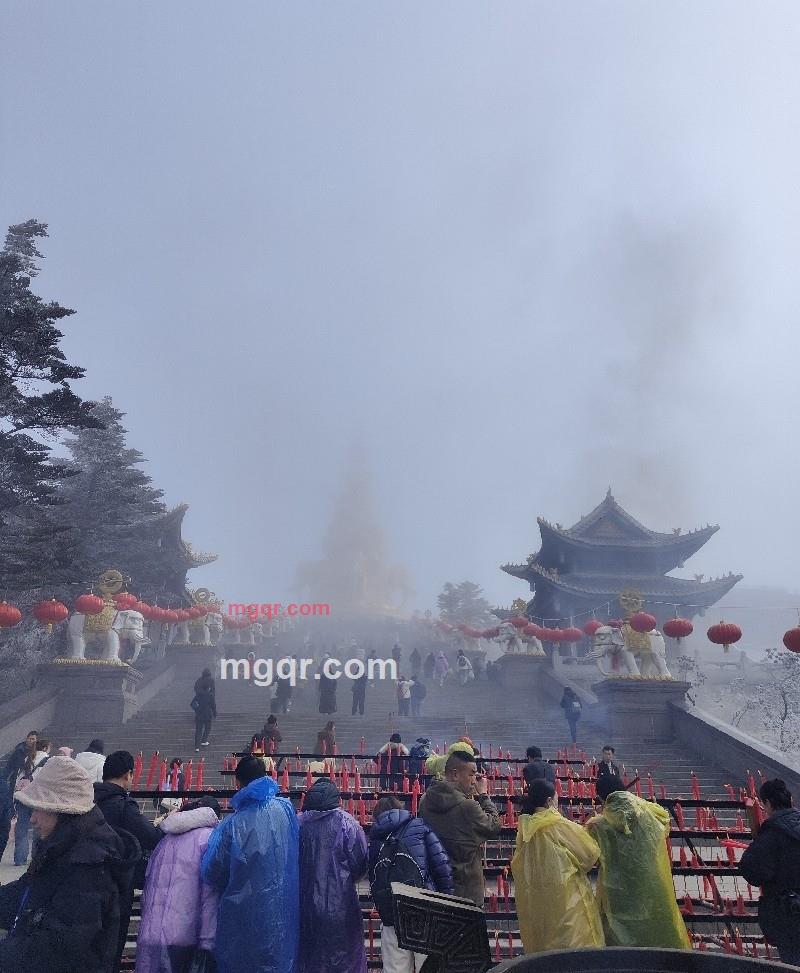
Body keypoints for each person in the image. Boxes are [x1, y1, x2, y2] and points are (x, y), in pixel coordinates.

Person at [0, 755, 139, 973]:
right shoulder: (61, 845)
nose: (33, 819)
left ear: (63, 810)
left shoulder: (89, 865)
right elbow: (26, 891)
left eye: (39, 808)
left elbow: (59, 946)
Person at [201, 755, 299, 973]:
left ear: (237, 783)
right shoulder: (286, 810)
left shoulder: (232, 825)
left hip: (242, 917)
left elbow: (212, 871)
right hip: (281, 912)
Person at [585, 774, 690, 948]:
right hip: (652, 886)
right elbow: (665, 822)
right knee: (657, 937)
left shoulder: (597, 826)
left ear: (601, 797)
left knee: (619, 941)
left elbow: (587, 856)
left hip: (617, 892)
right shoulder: (651, 815)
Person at [512, 780, 604, 953]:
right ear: (549, 801)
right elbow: (590, 855)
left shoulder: (524, 829)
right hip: (567, 901)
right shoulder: (558, 825)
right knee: (573, 948)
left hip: (538, 903)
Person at [94, 749, 165, 971]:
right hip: (116, 885)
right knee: (111, 948)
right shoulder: (123, 805)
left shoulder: (88, 800)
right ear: (127, 775)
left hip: (83, 880)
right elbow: (151, 837)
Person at [136, 797, 222, 973]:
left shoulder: (165, 839)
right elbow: (209, 892)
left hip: (152, 930)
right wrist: (208, 940)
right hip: (185, 933)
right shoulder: (209, 839)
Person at [369, 796, 454, 973]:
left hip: (392, 913)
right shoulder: (419, 826)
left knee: (395, 968)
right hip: (423, 909)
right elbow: (442, 866)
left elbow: (374, 877)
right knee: (429, 966)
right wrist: (447, 901)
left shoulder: (376, 838)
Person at [298, 779, 368, 973]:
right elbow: (360, 863)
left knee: (308, 959)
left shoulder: (298, 824)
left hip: (303, 904)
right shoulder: (347, 824)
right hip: (341, 905)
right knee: (344, 960)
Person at [418, 749, 500, 906]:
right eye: (471, 774)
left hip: (435, 885)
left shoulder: (425, 799)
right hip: (465, 890)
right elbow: (494, 826)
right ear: (455, 775)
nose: (474, 781)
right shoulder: (467, 806)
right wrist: (483, 795)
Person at [739, 778, 800, 964]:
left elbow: (752, 871)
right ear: (791, 800)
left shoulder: (772, 834)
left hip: (790, 915)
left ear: (766, 803)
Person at [0, 730, 37, 861]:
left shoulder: (37, 755)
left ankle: (25, 857)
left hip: (29, 792)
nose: (32, 741)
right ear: (26, 738)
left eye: (34, 739)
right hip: (17, 789)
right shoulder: (19, 751)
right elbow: (9, 769)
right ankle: (20, 858)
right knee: (20, 824)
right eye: (31, 738)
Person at [14, 737, 51, 865]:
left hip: (23, 798)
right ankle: (36, 857)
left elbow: (18, 778)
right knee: (38, 829)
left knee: (22, 828)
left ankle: (19, 858)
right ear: (46, 748)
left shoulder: (27, 759)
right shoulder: (48, 761)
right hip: (38, 800)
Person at [193, 668, 217, 751]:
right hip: (207, 714)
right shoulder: (210, 692)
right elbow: (213, 703)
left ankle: (196, 747)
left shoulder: (199, 681)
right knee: (208, 727)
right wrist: (214, 713)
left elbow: (193, 703)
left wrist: (197, 710)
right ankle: (204, 740)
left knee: (198, 730)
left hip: (199, 714)